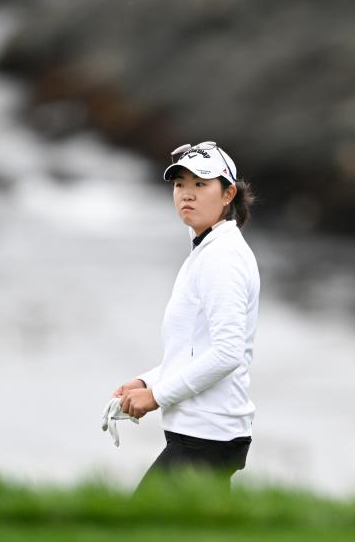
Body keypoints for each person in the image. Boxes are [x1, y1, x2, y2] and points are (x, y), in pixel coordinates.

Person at [112, 141, 259, 492]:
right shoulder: (208, 248)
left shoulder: (222, 257)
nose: (186, 194)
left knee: (139, 526)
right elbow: (196, 349)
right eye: (180, 184)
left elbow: (226, 353)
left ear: (228, 194)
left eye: (200, 184)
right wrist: (148, 381)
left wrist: (158, 395)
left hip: (206, 437)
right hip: (203, 434)